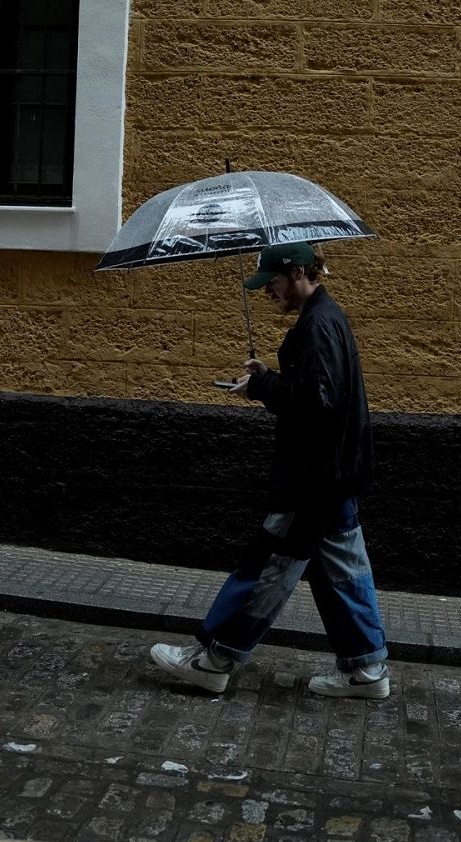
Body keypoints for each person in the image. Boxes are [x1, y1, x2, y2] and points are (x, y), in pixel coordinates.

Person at [150, 242, 391, 699]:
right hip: (334, 474)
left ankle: (214, 659)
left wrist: (263, 385)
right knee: (344, 569)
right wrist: (269, 377)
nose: (267, 292)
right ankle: (367, 670)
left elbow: (318, 401)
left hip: (314, 478)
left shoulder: (319, 323)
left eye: (272, 282)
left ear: (298, 271)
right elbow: (317, 389)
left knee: (268, 566)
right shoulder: (325, 316)